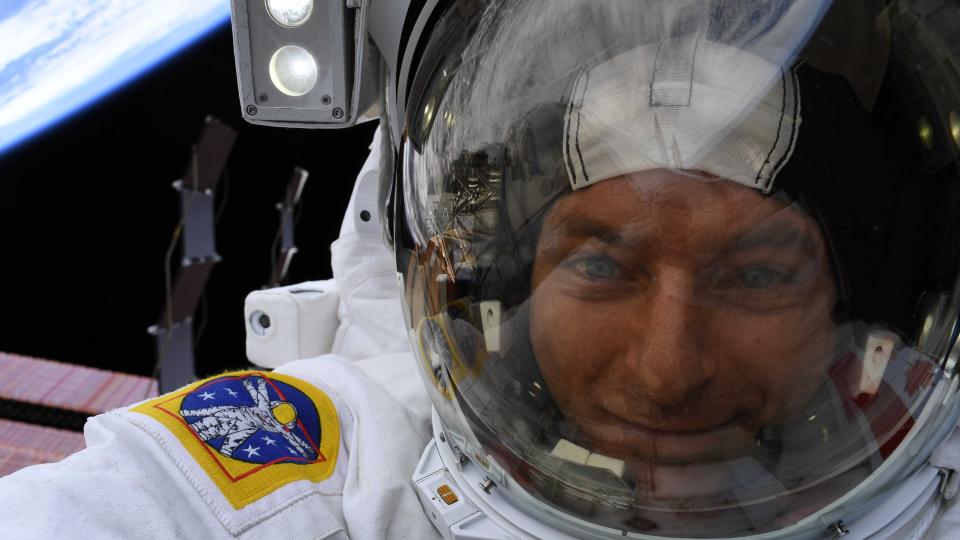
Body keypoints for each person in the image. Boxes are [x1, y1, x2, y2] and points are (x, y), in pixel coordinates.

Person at [4, 0, 960, 538]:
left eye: (754, 278)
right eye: (602, 268)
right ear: (499, 282)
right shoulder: (343, 487)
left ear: (859, 299)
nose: (670, 368)